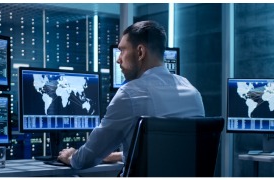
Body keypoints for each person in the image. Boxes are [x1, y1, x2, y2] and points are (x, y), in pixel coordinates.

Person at [57, 20, 205, 171]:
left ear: (140, 52)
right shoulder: (192, 92)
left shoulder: (129, 94)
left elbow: (86, 158)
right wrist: (119, 155)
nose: (118, 59)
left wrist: (71, 157)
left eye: (122, 50)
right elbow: (171, 153)